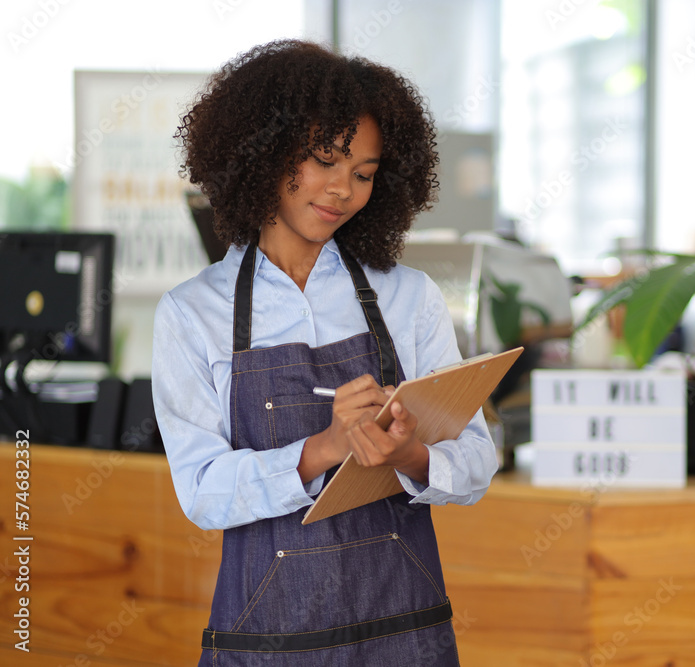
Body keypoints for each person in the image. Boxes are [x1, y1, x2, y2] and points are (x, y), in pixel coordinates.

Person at [151, 39, 497, 666]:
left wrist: (409, 454)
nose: (343, 190)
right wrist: (326, 449)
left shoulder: (408, 297)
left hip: (405, 636)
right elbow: (201, 492)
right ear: (262, 153)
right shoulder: (191, 313)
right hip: (268, 643)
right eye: (323, 161)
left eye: (363, 174)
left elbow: (475, 462)